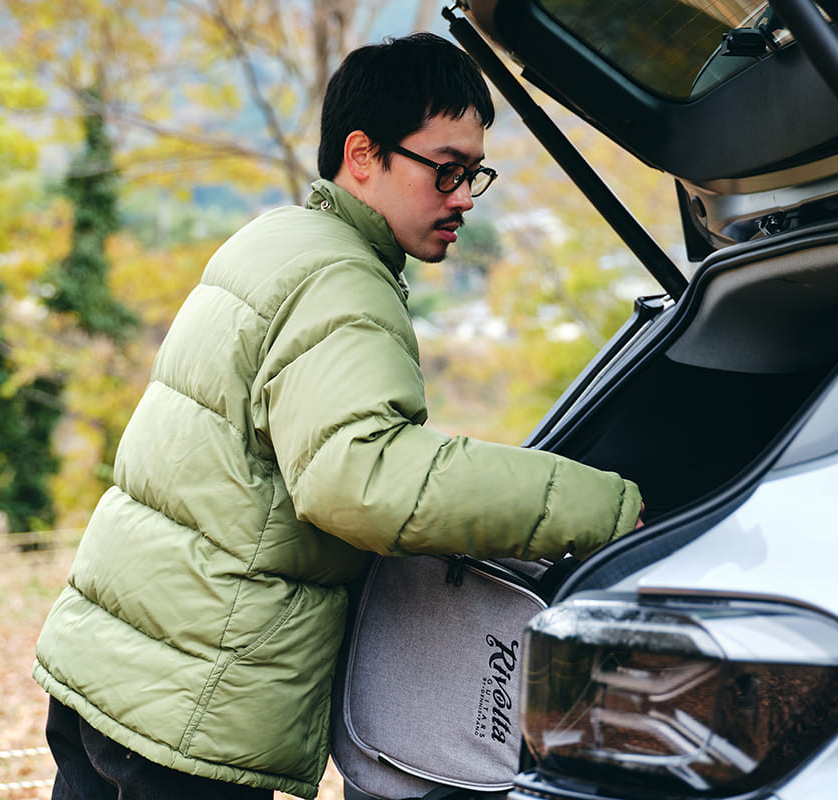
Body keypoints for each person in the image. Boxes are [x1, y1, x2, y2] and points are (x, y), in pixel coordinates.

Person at [33, 31, 643, 800]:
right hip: (191, 705)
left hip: (116, 669)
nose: (463, 197)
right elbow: (361, 478)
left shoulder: (277, 239)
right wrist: (608, 505)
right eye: (445, 170)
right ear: (363, 154)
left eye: (474, 174)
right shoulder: (342, 283)